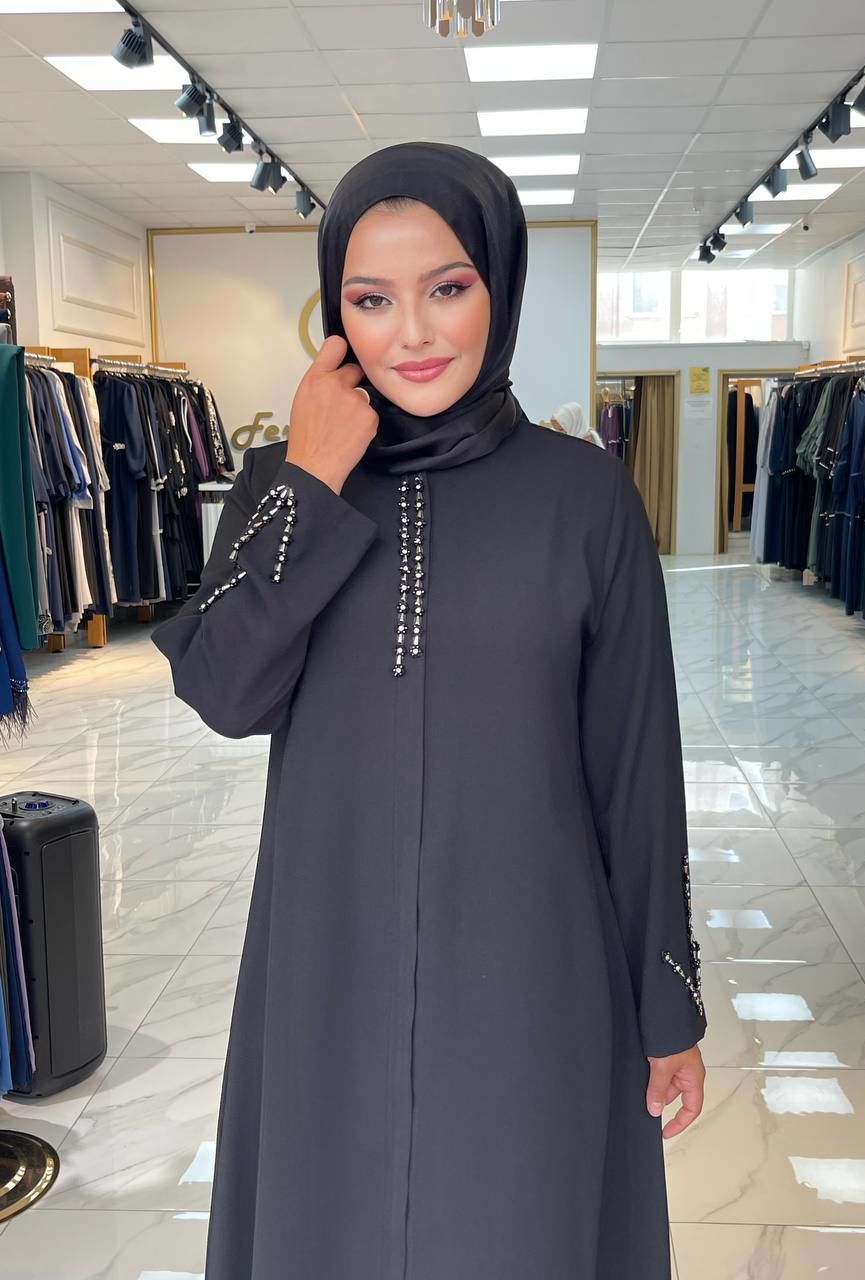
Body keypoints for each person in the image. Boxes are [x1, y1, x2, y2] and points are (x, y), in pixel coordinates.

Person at [153, 141, 707, 1280]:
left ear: (498, 287)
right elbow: (224, 690)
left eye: (446, 287)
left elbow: (637, 770)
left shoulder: (584, 497)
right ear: (335, 312)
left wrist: (670, 1006)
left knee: (518, 1219)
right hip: (329, 952)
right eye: (370, 299)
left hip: (531, 959)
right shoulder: (281, 485)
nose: (410, 332)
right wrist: (312, 480)